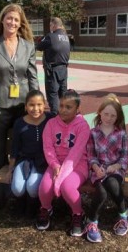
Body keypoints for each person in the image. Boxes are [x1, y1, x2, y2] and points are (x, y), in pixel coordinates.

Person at [0, 3, 39, 177]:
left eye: (16, 20)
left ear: (21, 23)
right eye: (9, 18)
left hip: (22, 104)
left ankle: (19, 180)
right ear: (3, 20)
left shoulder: (28, 46)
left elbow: (32, 76)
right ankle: (0, 191)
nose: (12, 22)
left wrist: (36, 102)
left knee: (22, 144)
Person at [36, 89, 90, 237]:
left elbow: (76, 153)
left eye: (69, 107)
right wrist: (54, 166)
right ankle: (46, 209)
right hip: (56, 164)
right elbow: (48, 148)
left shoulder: (83, 126)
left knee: (67, 187)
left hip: (77, 164)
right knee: (45, 187)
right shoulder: (51, 124)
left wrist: (59, 179)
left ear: (77, 109)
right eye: (61, 106)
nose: (63, 110)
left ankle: (78, 214)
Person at [84, 94, 128, 243]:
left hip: (115, 170)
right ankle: (92, 221)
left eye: (113, 115)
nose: (109, 118)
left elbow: (125, 156)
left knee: (112, 184)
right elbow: (91, 155)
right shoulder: (93, 133)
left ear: (117, 117)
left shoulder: (121, 134)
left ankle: (123, 215)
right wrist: (96, 168)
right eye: (106, 114)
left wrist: (115, 166)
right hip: (98, 170)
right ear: (100, 113)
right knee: (101, 193)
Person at [6, 90, 53, 216]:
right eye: (31, 105)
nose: (35, 108)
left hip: (42, 162)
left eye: (39, 104)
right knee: (17, 189)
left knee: (32, 188)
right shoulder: (20, 123)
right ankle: (20, 203)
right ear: (26, 106)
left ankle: (33, 207)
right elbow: (15, 148)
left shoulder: (50, 119)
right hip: (24, 160)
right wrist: (10, 169)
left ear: (44, 105)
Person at [36, 17, 70, 115]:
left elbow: (39, 46)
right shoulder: (65, 37)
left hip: (53, 69)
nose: (50, 27)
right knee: (63, 94)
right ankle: (66, 114)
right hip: (64, 69)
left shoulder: (50, 36)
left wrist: (41, 39)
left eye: (51, 25)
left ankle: (55, 116)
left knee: (53, 94)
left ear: (54, 25)